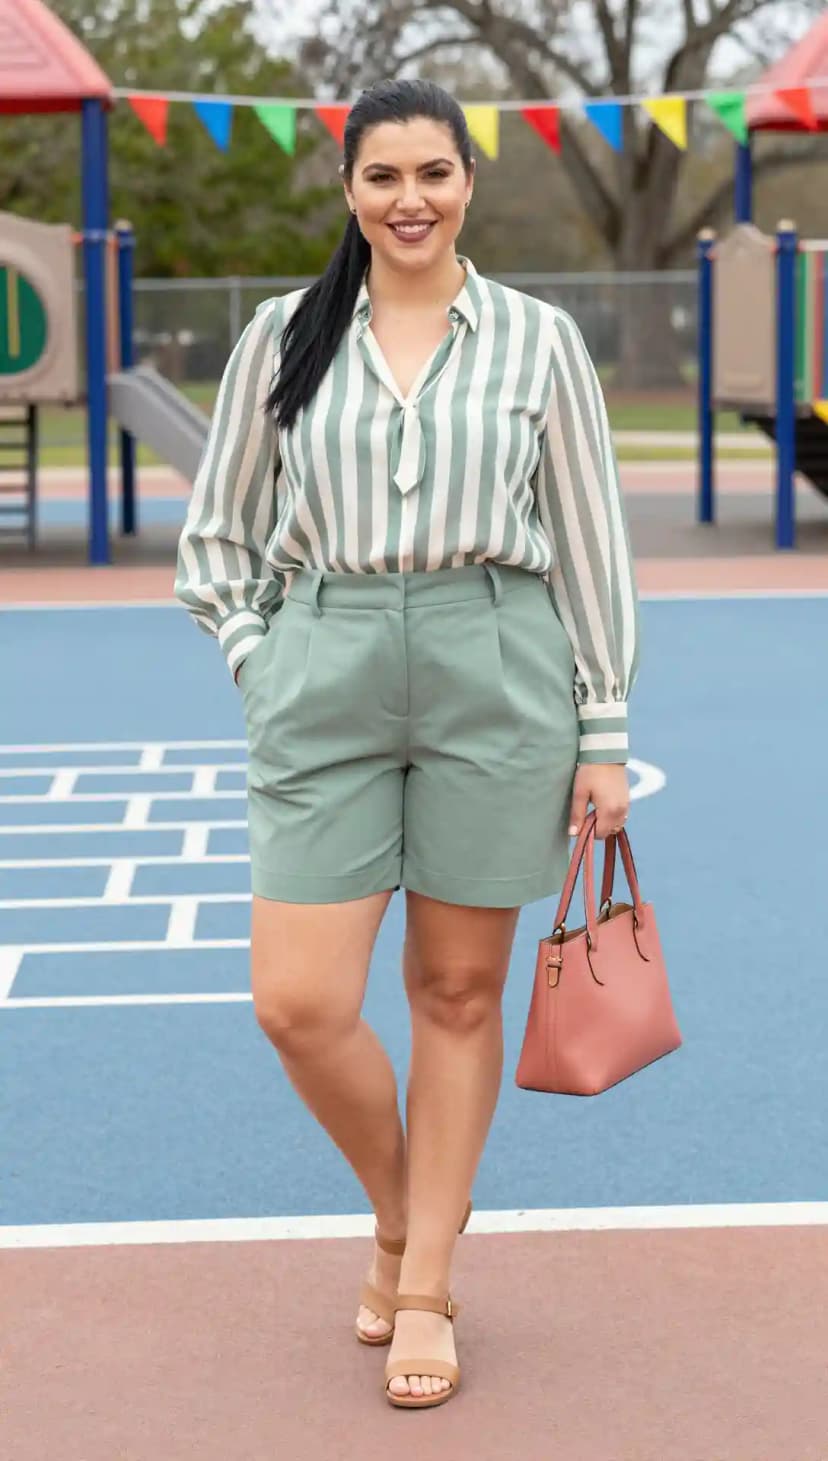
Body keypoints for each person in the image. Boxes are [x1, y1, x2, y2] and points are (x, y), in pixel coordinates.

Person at [174, 77, 639, 1411]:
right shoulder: (285, 336)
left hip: (498, 662)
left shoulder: (539, 343)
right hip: (326, 663)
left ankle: (423, 1276)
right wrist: (269, 663)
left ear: (469, 183)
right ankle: (406, 1210)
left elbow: (594, 547)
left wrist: (603, 728)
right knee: (299, 1002)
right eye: (384, 176)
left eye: (434, 172)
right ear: (349, 190)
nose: (410, 198)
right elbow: (217, 542)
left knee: (454, 993)